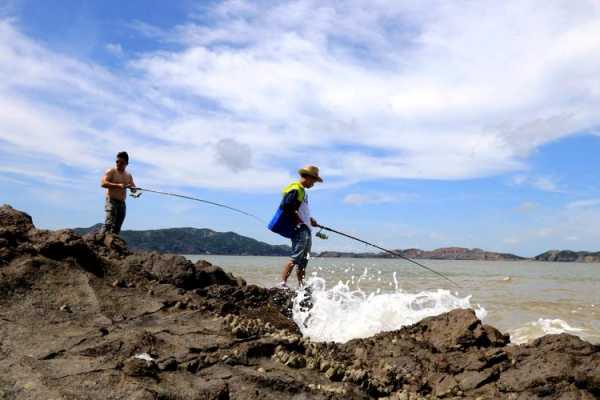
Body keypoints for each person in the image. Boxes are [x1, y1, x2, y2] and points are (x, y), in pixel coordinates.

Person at [268, 165, 323, 288]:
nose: (314, 184)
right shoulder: (295, 188)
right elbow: (287, 206)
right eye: (313, 181)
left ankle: (301, 285)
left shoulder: (302, 191)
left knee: (304, 260)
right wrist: (298, 221)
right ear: (308, 177)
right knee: (296, 256)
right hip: (300, 228)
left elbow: (300, 209)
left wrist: (310, 220)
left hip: (306, 228)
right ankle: (283, 283)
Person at [100, 151, 136, 234]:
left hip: (122, 203)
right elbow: (103, 183)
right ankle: (100, 240)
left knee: (117, 226)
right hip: (111, 201)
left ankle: (112, 244)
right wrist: (118, 185)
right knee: (109, 223)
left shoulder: (128, 175)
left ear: (126, 163)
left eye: (121, 162)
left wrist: (134, 190)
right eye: (117, 161)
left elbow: (133, 188)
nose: (118, 163)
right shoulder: (111, 171)